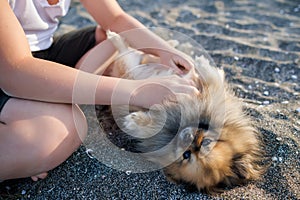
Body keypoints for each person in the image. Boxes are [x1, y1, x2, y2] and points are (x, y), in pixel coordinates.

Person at [0, 0, 198, 182]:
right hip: (10, 70)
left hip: (39, 54)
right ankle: (20, 148)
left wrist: (164, 51)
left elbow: (115, 19)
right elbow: (15, 72)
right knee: (61, 130)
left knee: (111, 37)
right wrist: (136, 92)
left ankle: (54, 103)